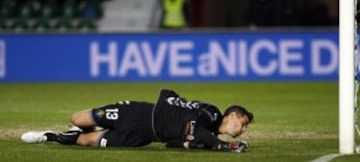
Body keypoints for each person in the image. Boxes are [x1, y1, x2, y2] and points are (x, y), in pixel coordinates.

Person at [21, 89, 254, 152]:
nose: (242, 129)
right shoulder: (211, 114)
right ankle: (84, 126)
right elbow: (193, 127)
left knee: (84, 141)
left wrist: (189, 144)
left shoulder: (208, 137)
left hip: (141, 136)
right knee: (78, 117)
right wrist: (223, 146)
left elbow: (172, 143)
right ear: (231, 115)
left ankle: (49, 136)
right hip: (138, 113)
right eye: (242, 123)